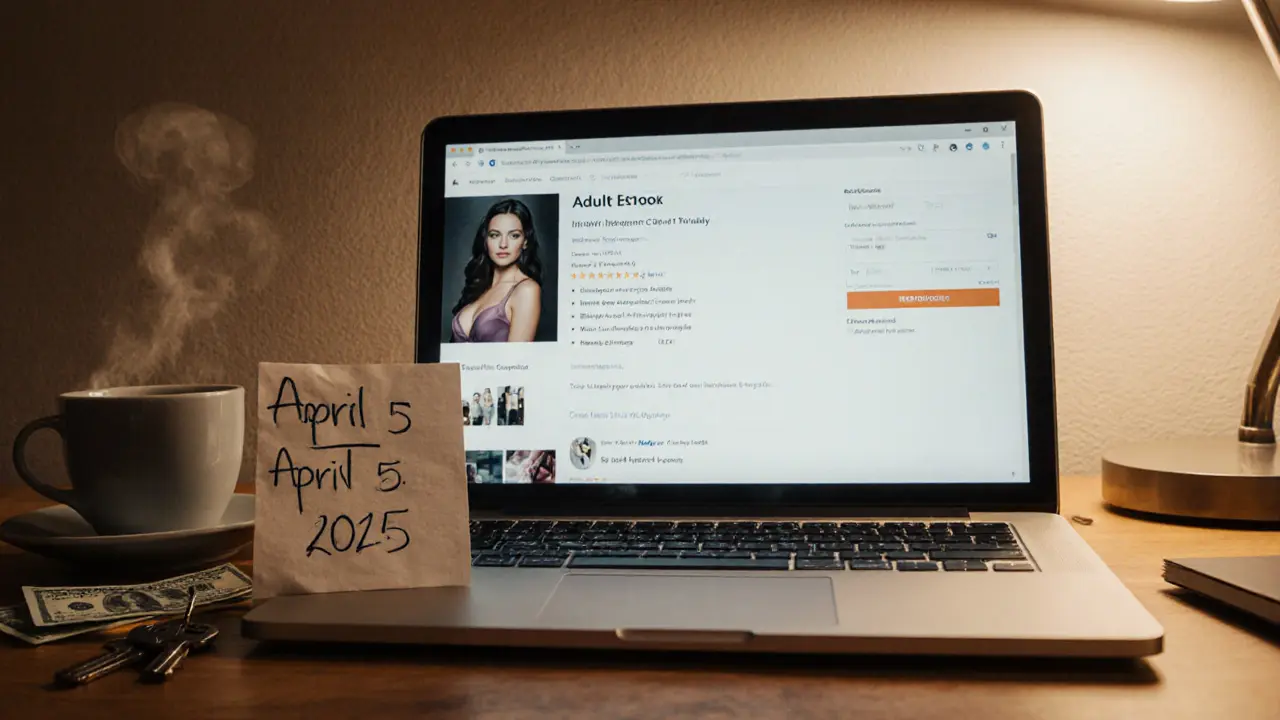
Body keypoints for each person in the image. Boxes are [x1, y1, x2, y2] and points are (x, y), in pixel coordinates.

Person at [450, 198, 544, 343]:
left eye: (514, 235)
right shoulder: (480, 287)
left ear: (525, 241)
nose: (503, 244)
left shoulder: (526, 290)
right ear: (486, 241)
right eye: (495, 235)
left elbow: (518, 363)